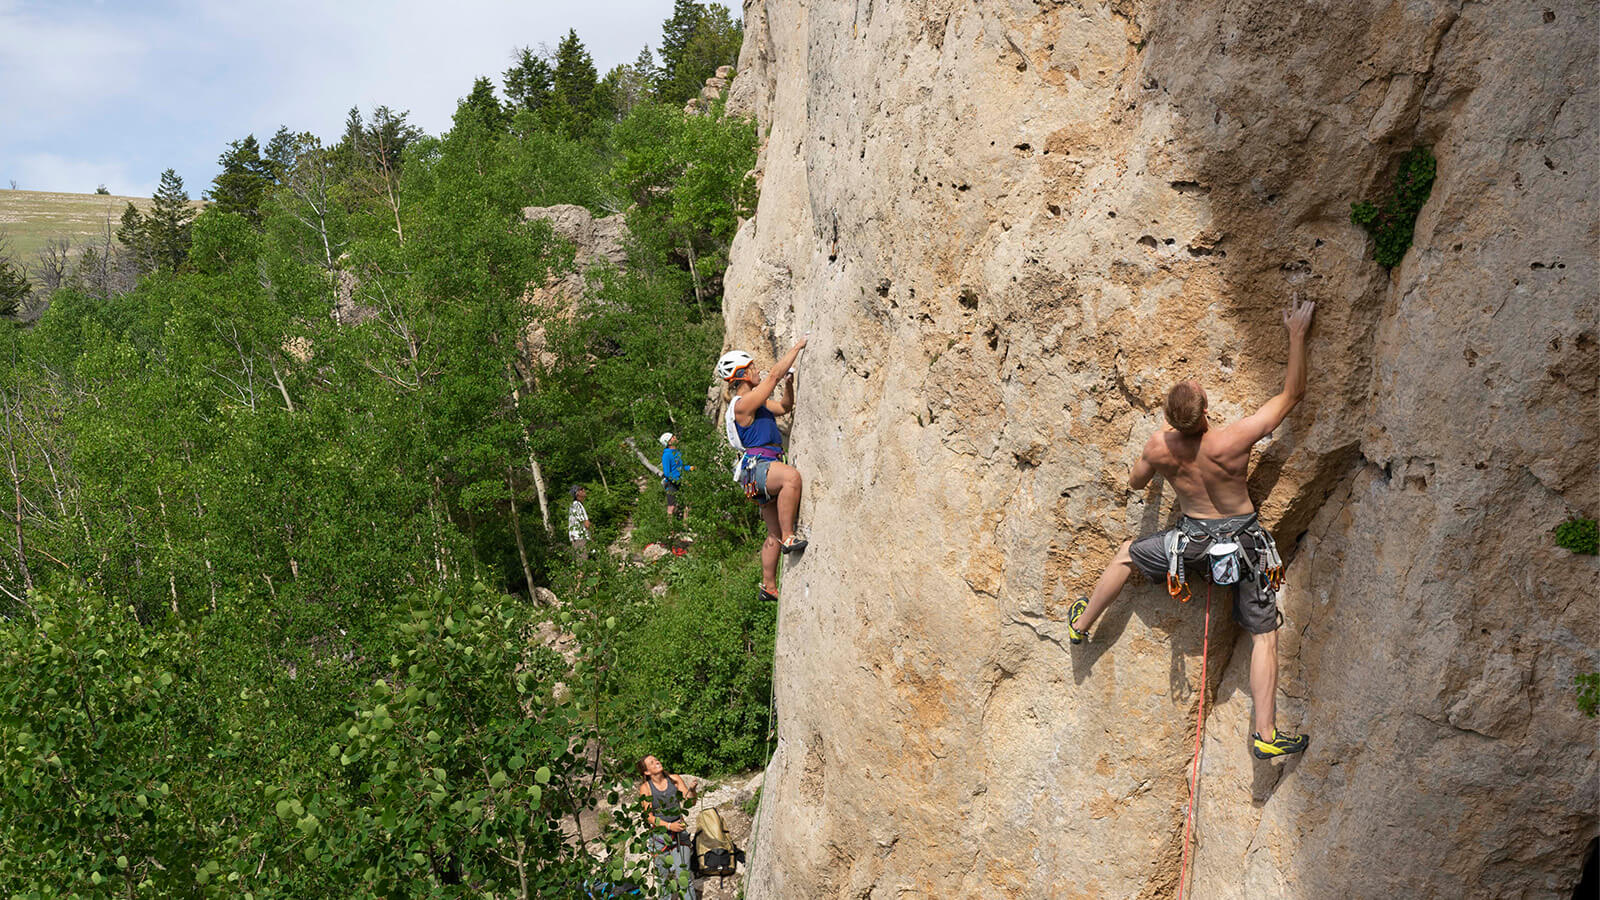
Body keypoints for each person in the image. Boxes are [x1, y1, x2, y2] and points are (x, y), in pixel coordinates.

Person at [1067, 300, 1316, 760]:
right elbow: (1292, 395)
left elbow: (1136, 482)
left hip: (1191, 548)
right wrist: (1296, 334)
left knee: (1125, 553)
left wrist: (1165, 445)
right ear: (1205, 412)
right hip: (1244, 546)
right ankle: (1265, 733)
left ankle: (1081, 624)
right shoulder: (1232, 439)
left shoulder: (1160, 447)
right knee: (1265, 635)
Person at [716, 338, 808, 603]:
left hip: (754, 474)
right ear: (743, 374)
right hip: (760, 467)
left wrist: (789, 386)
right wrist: (796, 347)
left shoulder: (756, 403)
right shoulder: (743, 404)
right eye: (753, 368)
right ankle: (790, 537)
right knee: (791, 477)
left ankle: (768, 586)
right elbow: (775, 375)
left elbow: (783, 407)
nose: (759, 371)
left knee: (772, 534)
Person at [637, 756, 698, 900]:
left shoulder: (674, 779)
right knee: (663, 880)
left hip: (679, 835)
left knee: (684, 877)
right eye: (652, 763)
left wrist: (692, 790)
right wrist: (669, 825)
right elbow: (648, 817)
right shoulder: (646, 788)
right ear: (646, 772)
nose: (657, 762)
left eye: (657, 760)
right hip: (659, 838)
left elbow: (690, 802)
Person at [659, 433, 692, 520]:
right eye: (673, 437)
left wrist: (690, 468)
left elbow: (681, 467)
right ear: (669, 442)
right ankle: (671, 530)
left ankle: (686, 526)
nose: (675, 438)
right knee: (671, 507)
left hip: (681, 480)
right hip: (671, 483)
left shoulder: (677, 452)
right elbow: (667, 473)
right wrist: (678, 480)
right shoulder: (666, 455)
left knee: (687, 503)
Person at [568, 485, 591, 558]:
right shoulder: (577, 506)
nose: (584, 490)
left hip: (579, 538)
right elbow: (586, 524)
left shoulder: (577, 505)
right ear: (577, 493)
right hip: (580, 538)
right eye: (581, 489)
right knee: (582, 563)